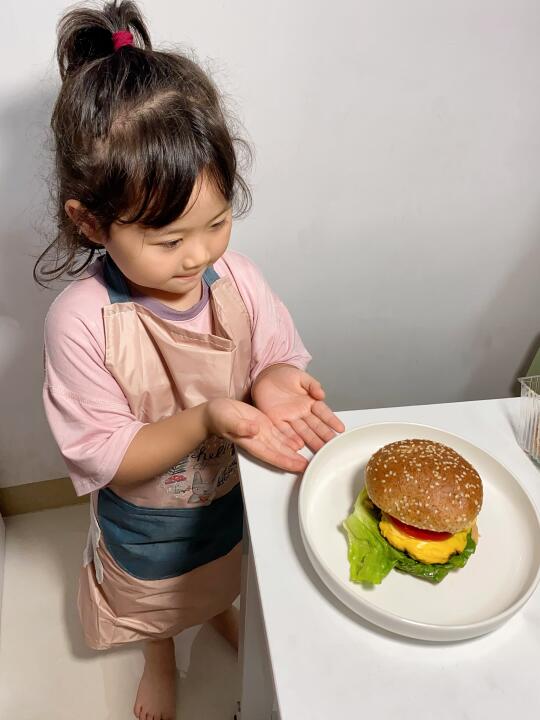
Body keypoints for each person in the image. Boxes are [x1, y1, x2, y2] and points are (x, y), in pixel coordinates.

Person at [37, 2, 344, 718]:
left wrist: (277, 381)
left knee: (220, 567)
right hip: (146, 523)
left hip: (225, 494)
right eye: (169, 240)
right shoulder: (81, 322)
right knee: (155, 600)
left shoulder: (236, 280)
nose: (198, 255)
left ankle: (212, 610)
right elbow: (110, 457)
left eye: (217, 222)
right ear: (91, 221)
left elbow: (273, 352)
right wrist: (207, 418)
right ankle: (159, 654)